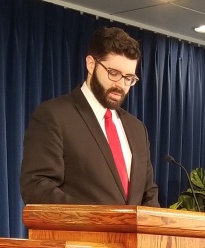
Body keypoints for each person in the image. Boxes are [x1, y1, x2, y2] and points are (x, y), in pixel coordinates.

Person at [20, 27, 159, 207]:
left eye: (129, 78)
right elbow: (37, 187)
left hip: (131, 236)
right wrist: (97, 219)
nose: (121, 85)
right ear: (91, 64)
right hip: (78, 234)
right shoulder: (54, 116)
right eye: (114, 73)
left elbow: (149, 194)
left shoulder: (137, 129)